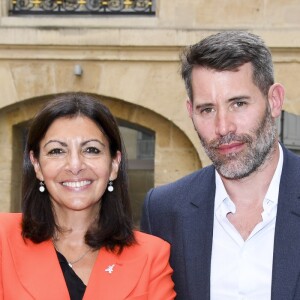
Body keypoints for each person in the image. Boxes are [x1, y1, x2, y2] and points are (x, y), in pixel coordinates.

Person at [141, 31, 300, 300]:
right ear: (191, 111)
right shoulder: (163, 210)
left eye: (238, 103)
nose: (223, 127)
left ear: (274, 101)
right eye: (207, 109)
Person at [0, 92, 176, 299]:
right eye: (57, 151)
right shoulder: (3, 239)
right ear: (37, 165)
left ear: (114, 164)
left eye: (91, 149)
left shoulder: (151, 256)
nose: (75, 165)